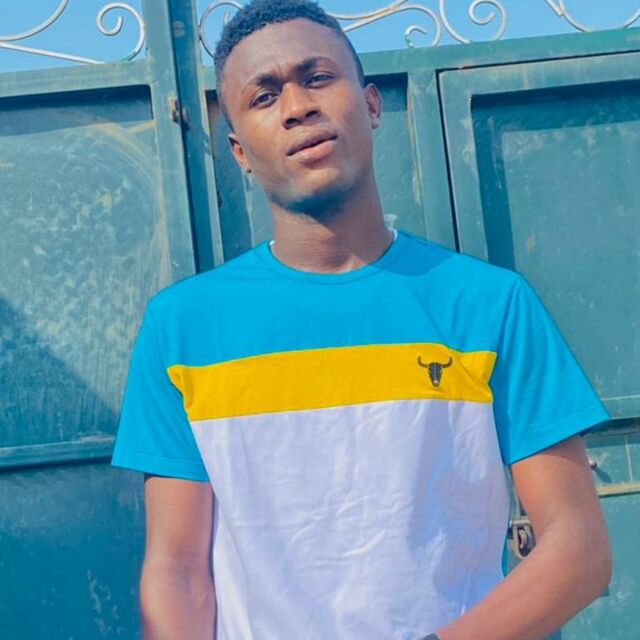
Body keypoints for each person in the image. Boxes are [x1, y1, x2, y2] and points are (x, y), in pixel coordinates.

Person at [111, 1, 612, 638]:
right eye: (264, 96)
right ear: (239, 151)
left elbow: (578, 548)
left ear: (372, 105)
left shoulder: (489, 305)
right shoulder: (182, 327)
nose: (297, 107)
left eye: (317, 77)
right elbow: (178, 572)